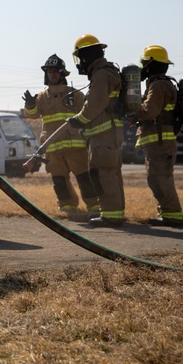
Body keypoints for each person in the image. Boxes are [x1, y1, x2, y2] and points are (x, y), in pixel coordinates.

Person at [22, 54, 99, 215]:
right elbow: (33, 114)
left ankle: (94, 208)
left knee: (84, 178)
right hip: (53, 149)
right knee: (59, 180)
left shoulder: (75, 94)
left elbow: (89, 113)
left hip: (76, 147)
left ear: (63, 73)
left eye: (55, 71)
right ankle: (67, 208)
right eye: (49, 71)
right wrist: (30, 104)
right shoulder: (42, 97)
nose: (52, 74)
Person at [68, 34, 125, 227]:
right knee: (111, 173)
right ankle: (114, 213)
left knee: (103, 174)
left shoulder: (101, 74)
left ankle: (111, 216)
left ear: (85, 56)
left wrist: (78, 120)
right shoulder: (107, 72)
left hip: (103, 135)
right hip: (110, 134)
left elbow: (94, 104)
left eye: (79, 57)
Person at [135, 45, 183, 227]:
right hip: (159, 142)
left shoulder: (158, 86)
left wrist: (134, 108)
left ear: (150, 65)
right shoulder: (160, 84)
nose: (142, 68)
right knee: (157, 178)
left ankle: (173, 215)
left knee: (159, 178)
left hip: (160, 142)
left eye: (144, 64)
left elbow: (149, 112)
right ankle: (167, 212)